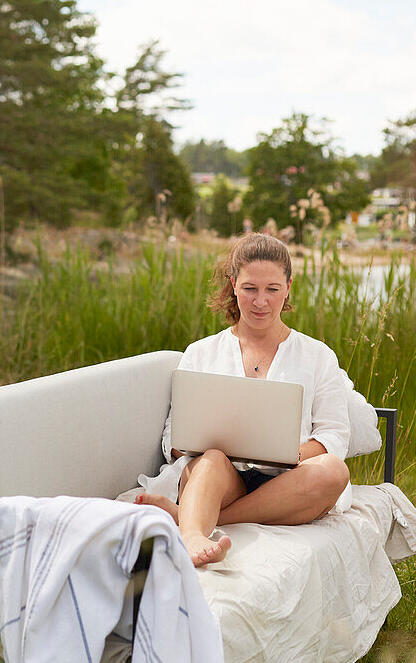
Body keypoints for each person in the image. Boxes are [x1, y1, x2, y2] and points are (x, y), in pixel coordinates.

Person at [135, 233, 352, 567]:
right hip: (222, 476)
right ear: (234, 285)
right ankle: (192, 537)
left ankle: (189, 515)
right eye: (250, 289)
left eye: (272, 290)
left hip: (288, 479)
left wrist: (287, 453)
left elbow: (335, 435)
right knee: (209, 461)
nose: (260, 301)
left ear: (288, 287)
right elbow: (172, 440)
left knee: (334, 471)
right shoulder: (201, 353)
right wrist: (210, 444)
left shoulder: (317, 355)